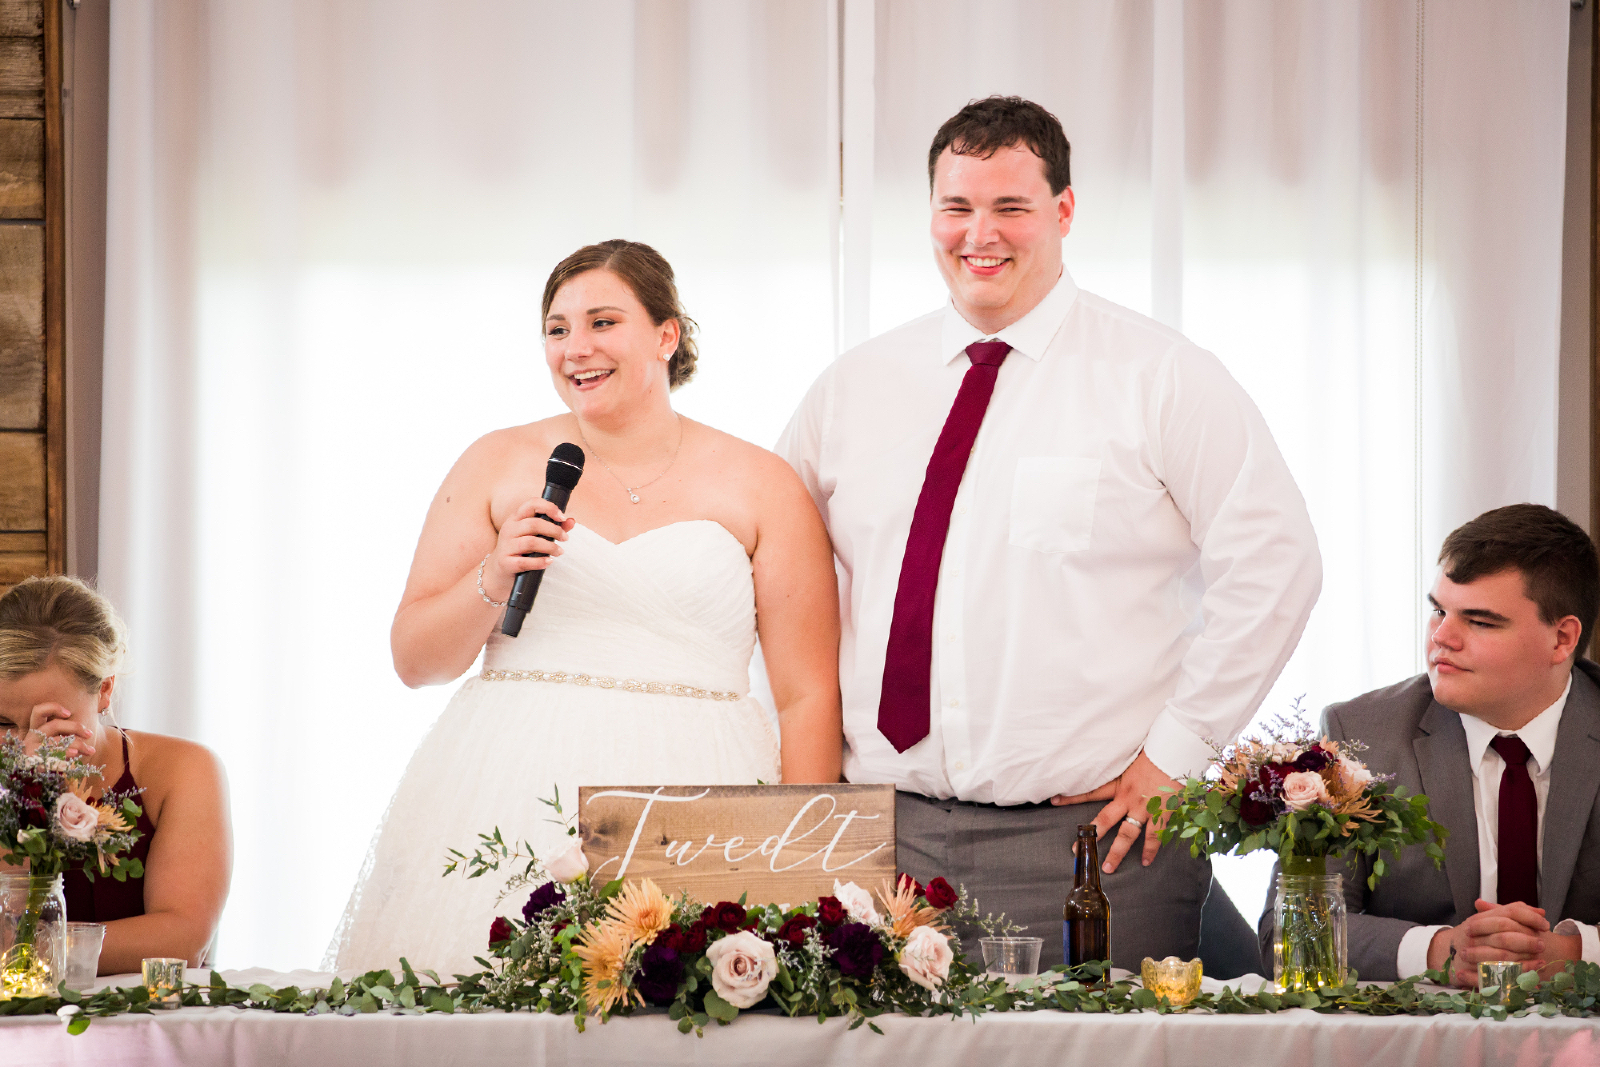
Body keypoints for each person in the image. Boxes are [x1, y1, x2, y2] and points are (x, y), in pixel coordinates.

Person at [778, 96, 1320, 970]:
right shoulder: (850, 389)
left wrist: (1175, 756)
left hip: (1095, 843)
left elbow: (1277, 562)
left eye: (1010, 208)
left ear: (1063, 212)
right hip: (883, 840)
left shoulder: (1162, 377)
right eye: (956, 207)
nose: (977, 233)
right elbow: (775, 577)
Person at [330, 239, 842, 976]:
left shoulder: (762, 483)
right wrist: (494, 571)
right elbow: (415, 659)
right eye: (558, 328)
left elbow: (806, 694)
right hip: (511, 784)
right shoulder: (498, 460)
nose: (577, 348)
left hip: (700, 796)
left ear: (667, 334)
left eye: (603, 321)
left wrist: (803, 862)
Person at [1258, 504, 1600, 985]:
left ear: (1562, 638)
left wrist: (1577, 951)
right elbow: (1291, 930)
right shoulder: (1362, 733)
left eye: (1480, 621)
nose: (1442, 637)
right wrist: (1440, 950)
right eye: (1439, 610)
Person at [0, 576, 232, 974]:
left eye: (52, 720)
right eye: (2, 722)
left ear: (105, 690)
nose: (24, 744)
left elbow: (182, 940)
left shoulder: (184, 770)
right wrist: (25, 792)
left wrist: (33, 950)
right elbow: (8, 927)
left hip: (151, 1021)